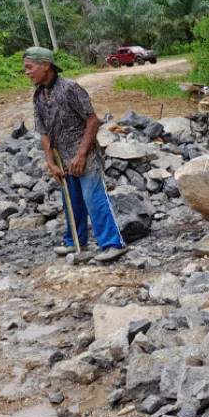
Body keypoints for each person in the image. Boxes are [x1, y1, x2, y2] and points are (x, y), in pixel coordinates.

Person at [23, 46, 128, 263]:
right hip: (62, 159)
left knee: (93, 198)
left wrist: (81, 154)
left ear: (46, 65)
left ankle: (112, 244)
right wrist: (51, 163)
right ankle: (76, 242)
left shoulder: (69, 88)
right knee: (71, 200)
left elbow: (93, 121)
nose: (27, 72)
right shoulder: (38, 95)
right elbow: (43, 132)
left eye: (30, 67)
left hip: (84, 156)